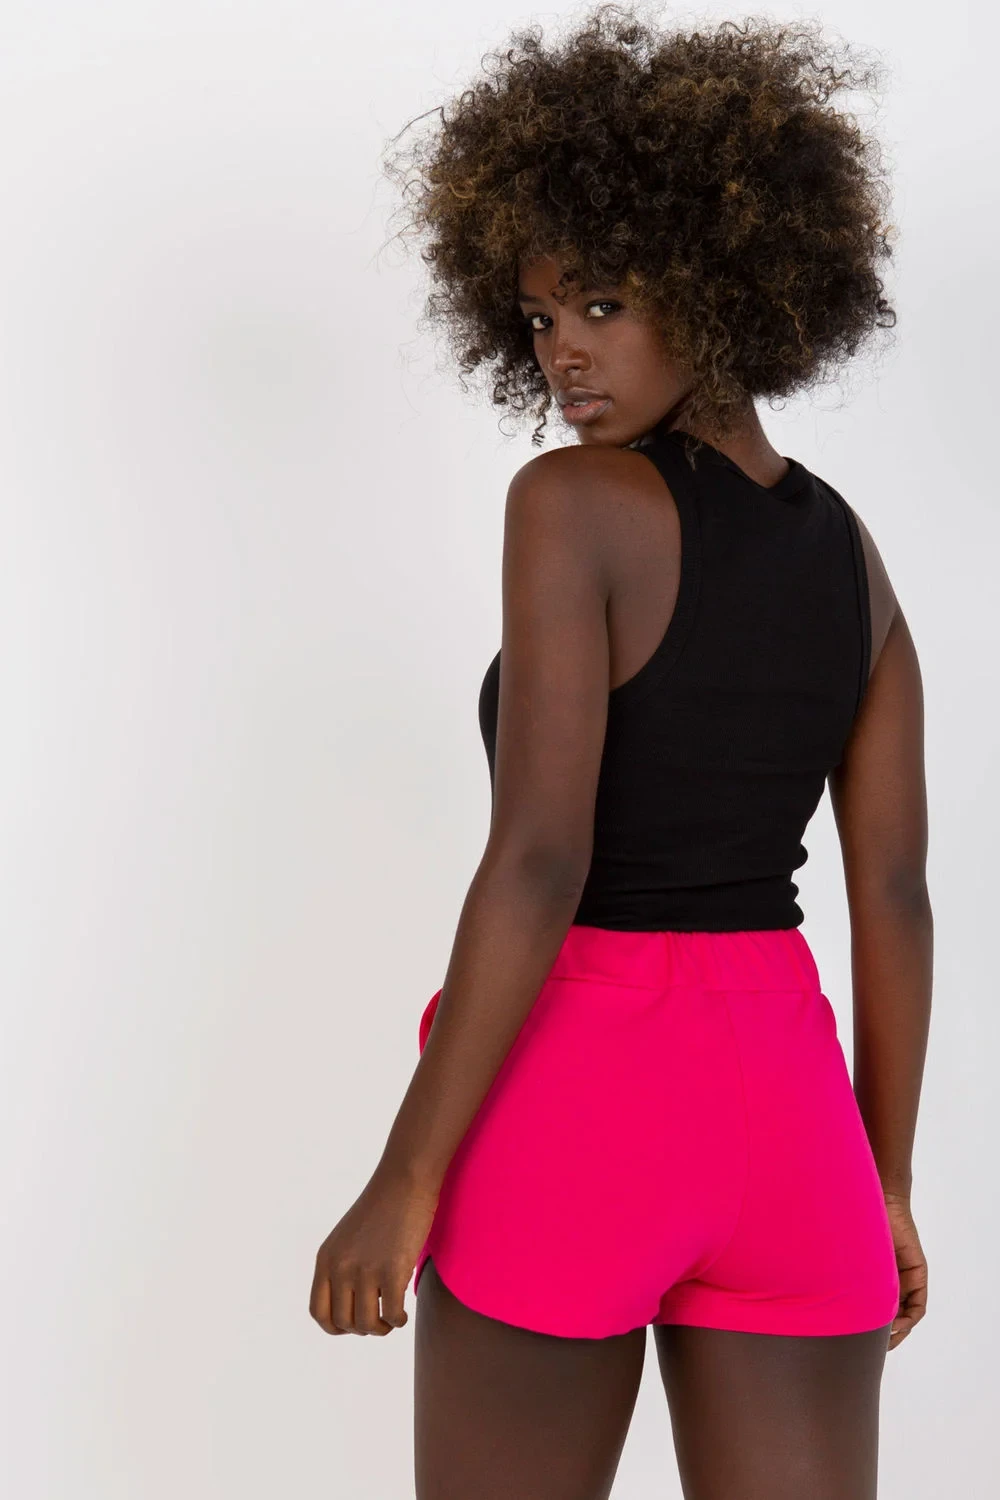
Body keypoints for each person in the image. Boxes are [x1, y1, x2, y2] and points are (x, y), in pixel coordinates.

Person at [309, 8, 932, 1496]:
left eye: (602, 303)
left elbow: (541, 858)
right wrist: (886, 1180)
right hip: (795, 1121)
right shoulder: (854, 557)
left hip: (583, 1091)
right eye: (538, 317)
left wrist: (404, 1178)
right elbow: (896, 895)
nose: (562, 354)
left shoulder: (572, 504)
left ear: (722, 285)